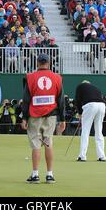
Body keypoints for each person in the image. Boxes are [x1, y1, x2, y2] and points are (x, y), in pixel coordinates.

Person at [21, 52, 65, 184]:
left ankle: (35, 175)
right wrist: (63, 119)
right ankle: (50, 174)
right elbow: (61, 99)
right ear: (49, 63)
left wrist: (24, 118)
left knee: (36, 145)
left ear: (37, 63)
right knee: (48, 143)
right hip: (51, 115)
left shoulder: (30, 77)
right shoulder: (57, 77)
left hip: (34, 116)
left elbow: (26, 100)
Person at [75, 80, 106, 162]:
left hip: (90, 105)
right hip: (102, 106)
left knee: (85, 131)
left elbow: (77, 100)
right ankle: (102, 156)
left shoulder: (80, 86)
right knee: (99, 131)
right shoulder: (95, 88)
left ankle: (82, 156)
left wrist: (80, 113)